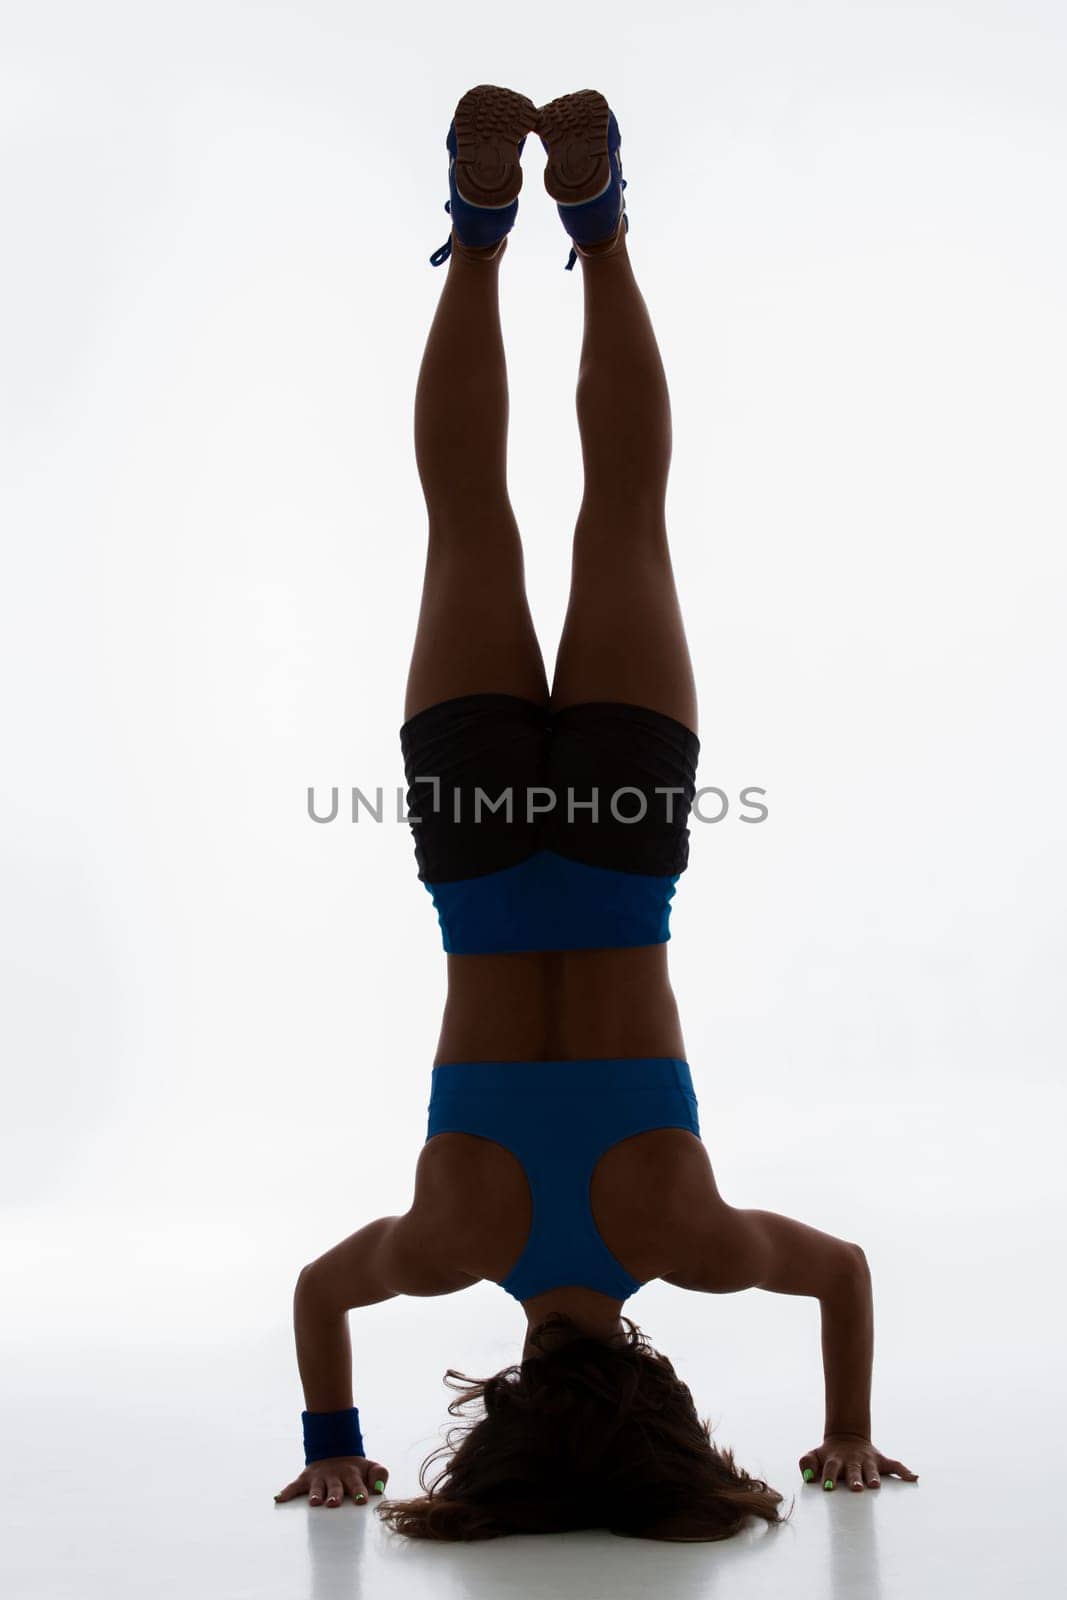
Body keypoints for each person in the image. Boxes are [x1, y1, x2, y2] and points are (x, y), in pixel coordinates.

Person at [274, 85, 918, 1541]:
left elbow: (845, 1271)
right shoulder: (451, 1245)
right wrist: (332, 1439)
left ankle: (601, 224)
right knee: (467, 514)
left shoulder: (683, 1236)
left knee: (626, 512)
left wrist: (848, 1435)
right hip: (481, 847)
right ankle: (485, 230)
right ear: (502, 1409)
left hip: (624, 843)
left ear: (664, 1401)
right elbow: (321, 1291)